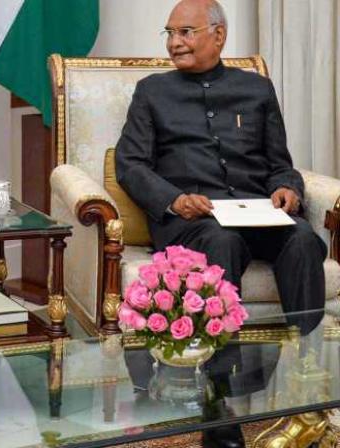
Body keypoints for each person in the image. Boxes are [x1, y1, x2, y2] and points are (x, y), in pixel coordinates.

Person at [116, 0, 327, 446]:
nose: (175, 42)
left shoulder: (257, 89)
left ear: (218, 35)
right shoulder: (152, 91)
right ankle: (220, 403)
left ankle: (311, 379)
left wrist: (289, 188)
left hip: (258, 215)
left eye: (186, 32)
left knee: (305, 239)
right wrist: (174, 199)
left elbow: (280, 165)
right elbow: (130, 165)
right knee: (221, 242)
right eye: (170, 33)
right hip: (194, 221)